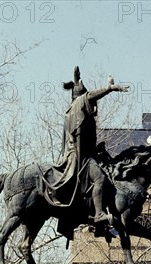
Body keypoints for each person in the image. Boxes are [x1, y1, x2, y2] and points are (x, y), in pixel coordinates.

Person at [48, 66, 128, 228]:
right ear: (83, 98)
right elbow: (91, 95)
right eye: (89, 100)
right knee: (100, 178)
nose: (93, 104)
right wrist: (110, 88)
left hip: (76, 154)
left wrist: (77, 81)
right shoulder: (80, 103)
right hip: (81, 156)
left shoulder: (71, 110)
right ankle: (98, 214)